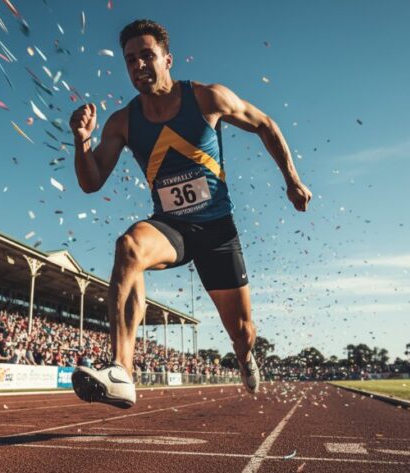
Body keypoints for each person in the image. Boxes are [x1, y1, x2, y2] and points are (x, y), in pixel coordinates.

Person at [69, 19, 311, 408]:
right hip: (171, 227)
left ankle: (245, 355)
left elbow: (264, 124)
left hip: (217, 230)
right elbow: (91, 181)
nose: (138, 66)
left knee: (242, 331)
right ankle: (121, 371)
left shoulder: (208, 98)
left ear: (168, 59)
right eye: (130, 60)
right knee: (128, 246)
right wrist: (81, 144)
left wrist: (292, 179)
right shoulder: (123, 122)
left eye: (146, 56)